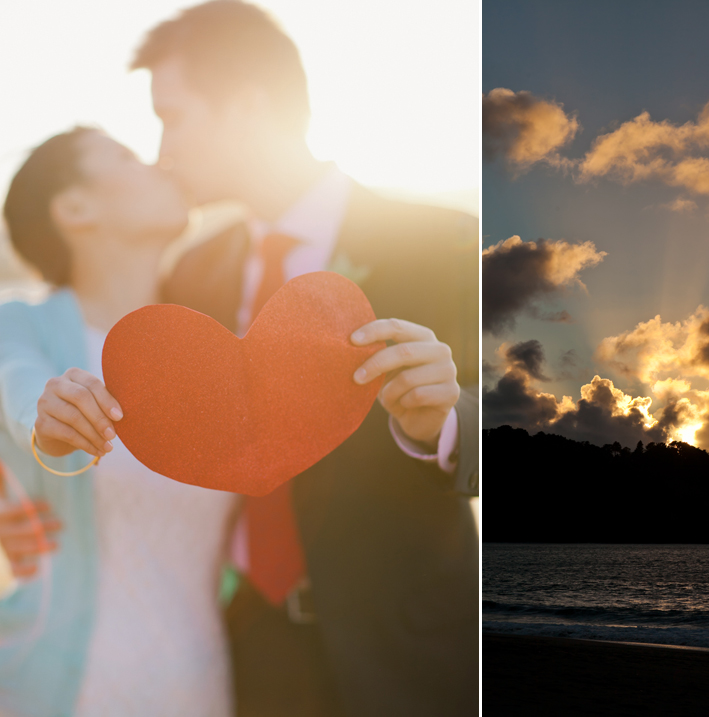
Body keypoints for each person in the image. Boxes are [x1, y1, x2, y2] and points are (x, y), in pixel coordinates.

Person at [131, 2, 479, 716]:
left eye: (175, 116)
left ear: (250, 105)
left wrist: (442, 422)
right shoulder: (191, 274)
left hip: (406, 653)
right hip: (244, 646)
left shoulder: (444, 242)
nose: (163, 148)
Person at [0, 127, 238, 717]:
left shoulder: (216, 349)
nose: (159, 164)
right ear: (75, 208)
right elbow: (21, 389)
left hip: (204, 688)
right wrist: (46, 423)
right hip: (60, 689)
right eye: (125, 157)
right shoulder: (22, 328)